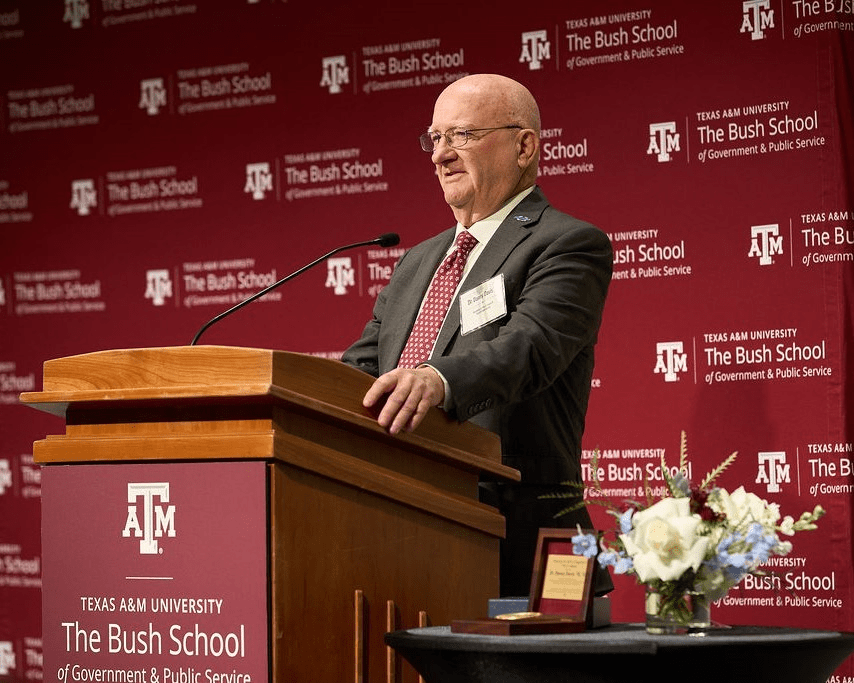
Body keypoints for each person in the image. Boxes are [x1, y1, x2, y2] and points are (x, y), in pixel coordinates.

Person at [341, 73, 613, 597]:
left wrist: (436, 380)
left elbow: (528, 348)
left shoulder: (568, 244)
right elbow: (362, 370)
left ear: (524, 147)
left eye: (462, 135)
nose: (441, 155)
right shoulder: (418, 261)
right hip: (396, 524)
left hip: (516, 539)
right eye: (435, 138)